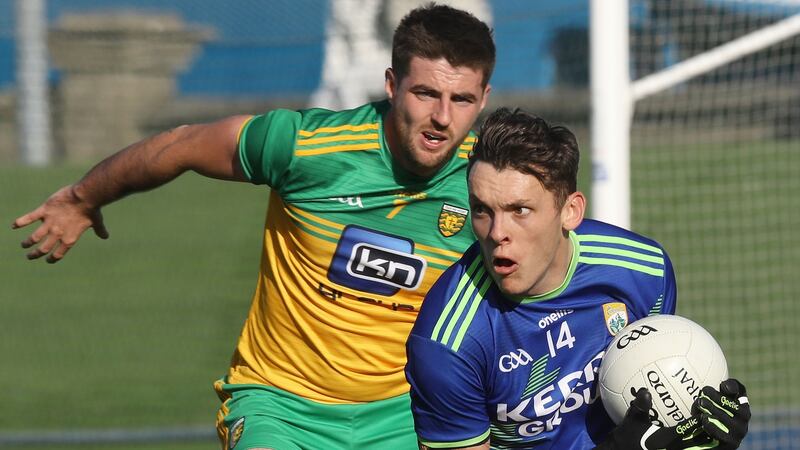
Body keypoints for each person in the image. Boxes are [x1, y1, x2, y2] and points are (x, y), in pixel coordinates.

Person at [12, 4, 495, 449]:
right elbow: (182, 145)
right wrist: (82, 197)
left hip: (404, 416)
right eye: (425, 93)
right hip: (279, 406)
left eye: (462, 99)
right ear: (391, 84)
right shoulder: (305, 148)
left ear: (483, 98)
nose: (442, 118)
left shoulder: (490, 181)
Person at [404, 108, 751, 449]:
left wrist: (696, 431)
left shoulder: (643, 272)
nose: (497, 233)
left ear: (570, 211)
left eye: (519, 210)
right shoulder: (447, 343)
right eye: (482, 210)